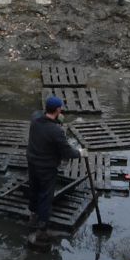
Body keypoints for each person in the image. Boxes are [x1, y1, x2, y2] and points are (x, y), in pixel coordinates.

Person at [25, 94, 82, 247]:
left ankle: (32, 214)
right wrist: (80, 153)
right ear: (58, 110)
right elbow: (67, 153)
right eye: (60, 109)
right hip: (46, 167)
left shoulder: (35, 119)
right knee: (45, 194)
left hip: (32, 162)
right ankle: (42, 228)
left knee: (34, 187)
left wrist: (56, 118)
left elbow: (39, 113)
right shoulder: (56, 131)